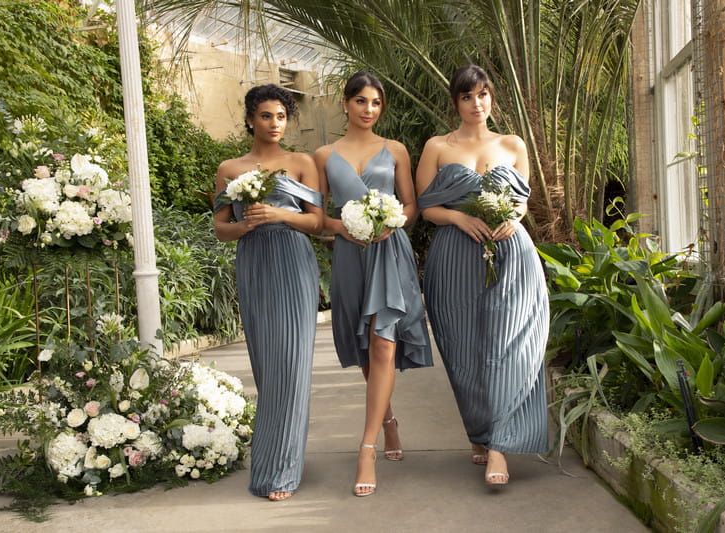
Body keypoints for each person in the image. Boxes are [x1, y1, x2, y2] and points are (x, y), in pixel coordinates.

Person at [415, 65, 549, 486]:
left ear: (492, 97)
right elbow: (423, 207)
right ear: (455, 102)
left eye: (483, 94)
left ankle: (499, 448)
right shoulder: (436, 146)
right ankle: (480, 431)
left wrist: (512, 215)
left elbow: (523, 200)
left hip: (510, 253)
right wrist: (457, 217)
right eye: (467, 96)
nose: (477, 104)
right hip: (455, 255)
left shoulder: (513, 144)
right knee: (461, 347)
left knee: (508, 345)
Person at [313, 72, 433, 497]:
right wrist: (343, 227)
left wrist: (391, 220)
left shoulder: (395, 149)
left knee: (384, 342)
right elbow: (315, 217)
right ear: (345, 104)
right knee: (366, 347)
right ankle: (388, 423)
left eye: (376, 103)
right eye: (361, 101)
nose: (368, 110)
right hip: (349, 256)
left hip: (389, 252)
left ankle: (366, 450)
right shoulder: (324, 155)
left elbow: (412, 205)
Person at [213, 84, 323, 501]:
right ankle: (282, 453)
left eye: (280, 116)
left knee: (291, 364)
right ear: (249, 120)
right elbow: (221, 227)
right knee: (268, 364)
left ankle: (280, 469)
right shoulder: (230, 167)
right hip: (254, 262)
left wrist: (278, 213)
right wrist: (245, 226)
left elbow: (317, 223)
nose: (274, 123)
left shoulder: (301, 162)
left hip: (293, 262)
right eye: (265, 116)